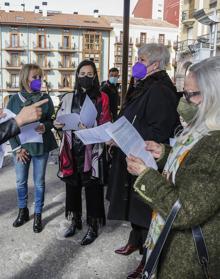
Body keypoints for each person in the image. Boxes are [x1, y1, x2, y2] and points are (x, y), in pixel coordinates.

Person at [126, 56, 220, 279]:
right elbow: (193, 167)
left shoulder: (216, 144)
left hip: (188, 257)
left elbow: (185, 210)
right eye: (183, 93)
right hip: (178, 247)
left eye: (191, 95)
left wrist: (146, 175)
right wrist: (164, 153)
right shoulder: (204, 129)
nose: (184, 101)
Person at [107, 43, 182, 275]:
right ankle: (135, 241)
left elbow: (159, 131)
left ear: (155, 64)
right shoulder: (146, 84)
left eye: (140, 59)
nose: (136, 64)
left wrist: (126, 136)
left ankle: (147, 259)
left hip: (144, 157)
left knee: (146, 208)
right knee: (135, 203)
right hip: (132, 152)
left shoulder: (160, 89)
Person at [54, 60, 111, 245]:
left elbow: (106, 122)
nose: (85, 77)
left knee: (93, 190)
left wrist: (90, 127)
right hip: (71, 150)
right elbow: (59, 119)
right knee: (72, 188)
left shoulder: (102, 97)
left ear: (95, 76)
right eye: (82, 73)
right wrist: (58, 125)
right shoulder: (68, 98)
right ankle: (75, 220)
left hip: (92, 150)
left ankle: (93, 226)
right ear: (77, 76)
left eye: (89, 73)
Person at [7, 64, 57, 233]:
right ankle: (23, 211)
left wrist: (45, 125)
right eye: (34, 77)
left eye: (40, 77)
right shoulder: (14, 100)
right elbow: (8, 126)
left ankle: (37, 214)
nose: (38, 81)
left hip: (40, 147)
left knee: (39, 183)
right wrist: (16, 149)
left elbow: (51, 120)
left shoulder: (46, 98)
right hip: (21, 148)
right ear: (25, 78)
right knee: (21, 182)